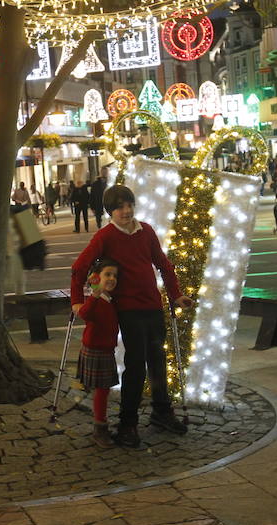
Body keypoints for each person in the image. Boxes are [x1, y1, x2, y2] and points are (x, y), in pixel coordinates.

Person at [71, 185, 194, 447]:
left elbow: (163, 263)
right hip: (128, 310)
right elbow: (79, 268)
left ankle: (162, 411)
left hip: (153, 306)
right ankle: (128, 424)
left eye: (129, 205)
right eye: (119, 207)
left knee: (158, 361)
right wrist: (77, 302)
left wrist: (176, 295)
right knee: (136, 366)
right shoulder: (105, 237)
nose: (126, 211)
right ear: (110, 212)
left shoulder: (146, 231)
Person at [75, 258, 121, 448]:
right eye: (107, 274)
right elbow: (85, 314)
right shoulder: (97, 299)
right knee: (102, 391)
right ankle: (99, 427)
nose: (111, 278)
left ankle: (100, 423)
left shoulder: (110, 298)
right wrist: (94, 293)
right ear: (97, 277)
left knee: (103, 390)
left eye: (114, 275)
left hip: (106, 349)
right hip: (96, 349)